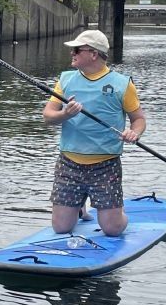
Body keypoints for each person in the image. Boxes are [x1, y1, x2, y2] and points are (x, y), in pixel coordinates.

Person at [42, 29, 146, 237]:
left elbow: (139, 120)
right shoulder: (66, 80)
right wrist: (65, 115)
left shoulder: (122, 84)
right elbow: (48, 115)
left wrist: (134, 133)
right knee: (61, 228)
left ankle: (117, 212)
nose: (72, 53)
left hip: (106, 164)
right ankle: (79, 206)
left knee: (112, 230)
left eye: (77, 50)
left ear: (93, 54)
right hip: (69, 161)